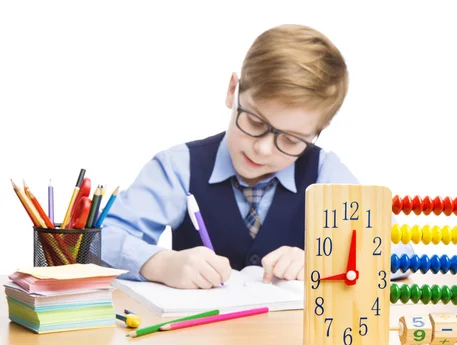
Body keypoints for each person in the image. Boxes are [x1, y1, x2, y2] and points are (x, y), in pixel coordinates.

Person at [101, 24, 412, 289]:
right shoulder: (178, 167)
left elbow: (400, 252)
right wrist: (159, 263)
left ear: (320, 130)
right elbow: (100, 240)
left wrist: (324, 258)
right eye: (254, 121)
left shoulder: (325, 173)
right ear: (232, 90)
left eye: (291, 139)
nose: (262, 149)